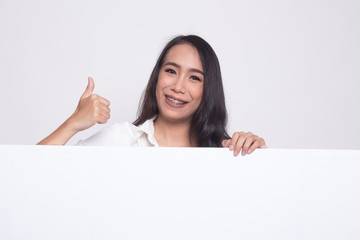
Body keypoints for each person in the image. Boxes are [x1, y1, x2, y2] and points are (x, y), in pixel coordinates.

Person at [38, 35, 266, 156]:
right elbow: (28, 173)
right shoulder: (122, 140)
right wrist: (73, 123)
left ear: (209, 90)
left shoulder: (226, 153)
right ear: (157, 77)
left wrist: (263, 158)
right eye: (170, 71)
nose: (178, 86)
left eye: (194, 77)